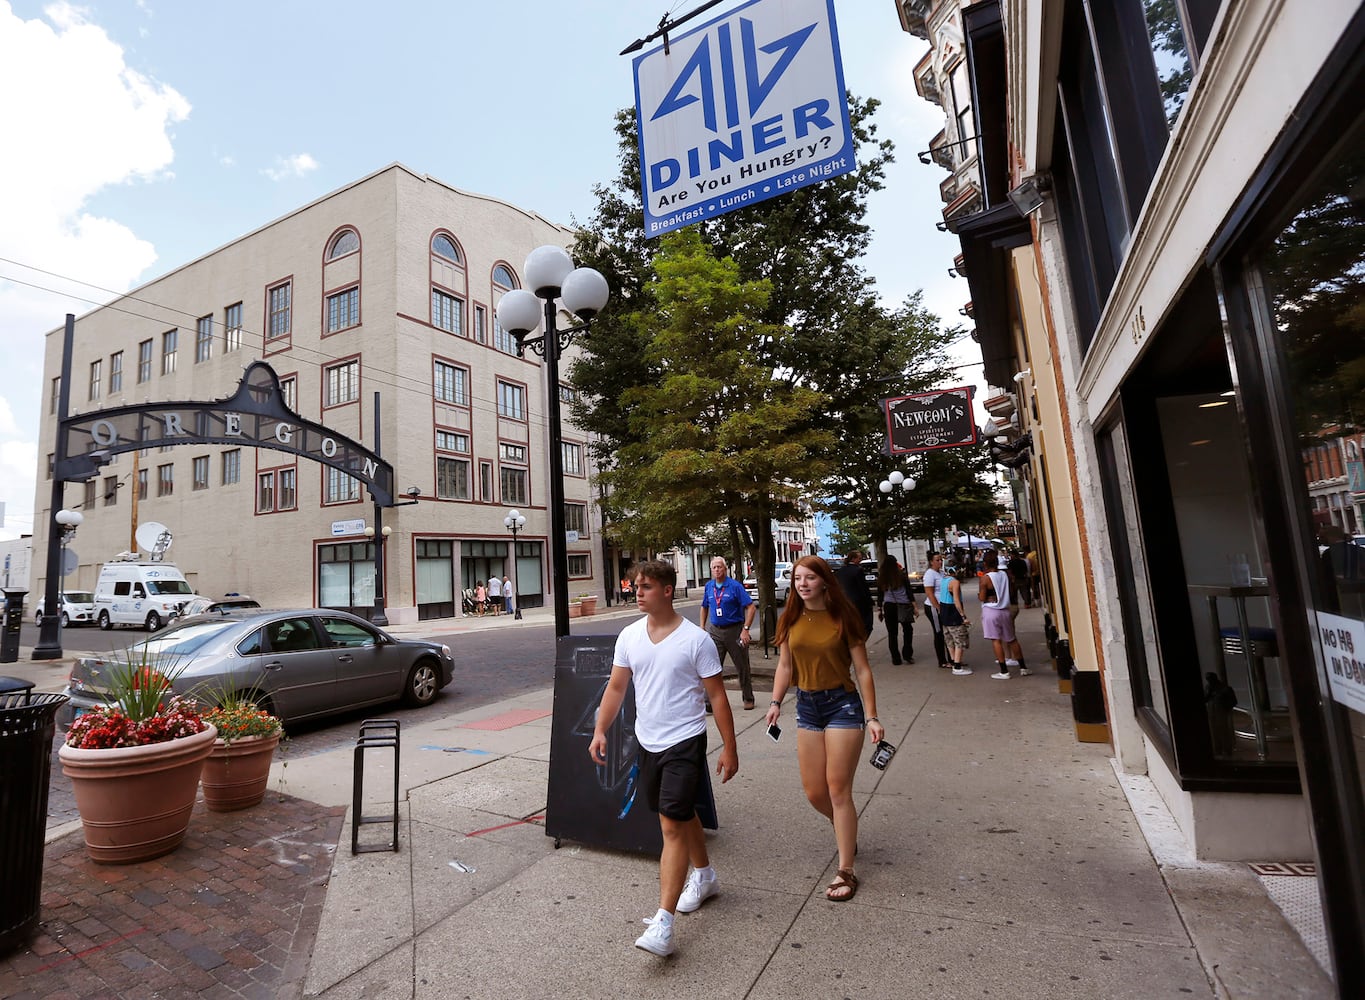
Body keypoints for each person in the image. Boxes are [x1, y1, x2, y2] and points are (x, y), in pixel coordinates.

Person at [589, 559, 738, 957]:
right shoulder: (630, 636)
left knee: (670, 824)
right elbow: (617, 688)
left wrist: (730, 747)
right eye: (635, 586)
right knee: (680, 812)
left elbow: (718, 696)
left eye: (646, 586)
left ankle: (663, 924)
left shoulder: (697, 640)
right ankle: (704, 876)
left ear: (668, 590)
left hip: (685, 741)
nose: (637, 592)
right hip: (648, 741)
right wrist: (600, 729)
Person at [765, 556, 885, 904]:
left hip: (843, 706)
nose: (802, 584)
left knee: (837, 788)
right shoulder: (789, 618)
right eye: (797, 578)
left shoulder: (842, 617)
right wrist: (774, 703)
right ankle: (846, 828)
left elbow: (862, 670)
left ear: (824, 582)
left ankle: (845, 867)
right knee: (814, 791)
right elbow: (785, 666)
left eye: (810, 578)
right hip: (807, 706)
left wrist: (873, 715)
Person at [699, 556, 758, 710]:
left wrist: (745, 630)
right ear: (711, 570)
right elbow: (704, 606)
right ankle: (708, 702)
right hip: (715, 632)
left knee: (742, 666)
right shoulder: (709, 587)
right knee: (711, 667)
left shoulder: (735, 586)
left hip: (735, 630)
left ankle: (748, 698)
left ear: (725, 569)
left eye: (720, 567)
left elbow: (751, 607)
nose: (717, 570)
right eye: (714, 567)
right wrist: (702, 627)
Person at [978, 549, 1029, 679]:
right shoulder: (1004, 575)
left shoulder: (985, 579)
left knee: (996, 640)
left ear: (985, 564)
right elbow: (1011, 591)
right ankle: (1023, 667)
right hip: (1005, 610)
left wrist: (982, 595)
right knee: (1012, 639)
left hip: (991, 610)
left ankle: (1004, 670)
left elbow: (982, 597)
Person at [876, 554, 918, 664]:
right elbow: (909, 591)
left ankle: (896, 658)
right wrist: (914, 606)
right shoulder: (902, 575)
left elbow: (880, 595)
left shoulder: (882, 577)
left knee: (892, 633)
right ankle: (907, 654)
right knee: (908, 630)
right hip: (903, 605)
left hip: (889, 606)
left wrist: (880, 609)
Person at [937, 567, 972, 674]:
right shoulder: (955, 582)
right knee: (959, 639)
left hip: (944, 611)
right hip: (953, 612)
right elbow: (956, 600)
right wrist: (963, 616)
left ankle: (954, 661)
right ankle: (957, 666)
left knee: (949, 639)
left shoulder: (943, 581)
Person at [833, 549, 875, 638]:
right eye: (859, 558)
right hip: (859, 603)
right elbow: (863, 588)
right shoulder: (857, 571)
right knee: (866, 625)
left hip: (844, 602)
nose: (860, 560)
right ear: (853, 559)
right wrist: (869, 602)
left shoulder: (840, 571)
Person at [922, 552, 950, 669]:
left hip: (944, 604)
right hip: (933, 607)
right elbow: (929, 593)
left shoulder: (942, 573)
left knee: (948, 632)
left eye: (941, 560)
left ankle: (952, 658)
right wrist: (938, 607)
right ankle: (942, 660)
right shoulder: (930, 574)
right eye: (937, 560)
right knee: (939, 633)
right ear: (931, 562)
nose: (940, 562)